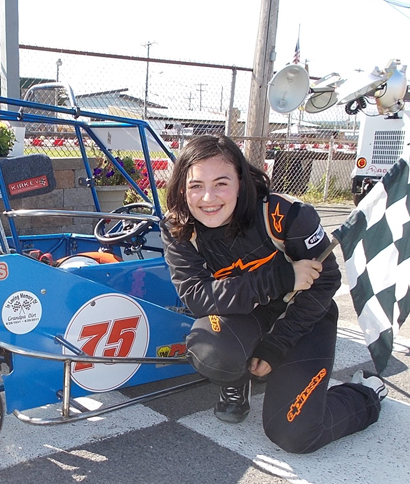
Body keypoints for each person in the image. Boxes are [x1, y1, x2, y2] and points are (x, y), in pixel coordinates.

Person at [160, 135, 386, 454]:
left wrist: (276, 346)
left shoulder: (285, 213)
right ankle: (237, 380)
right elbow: (197, 297)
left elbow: (326, 281)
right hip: (244, 318)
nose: (207, 197)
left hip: (303, 318)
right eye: (196, 186)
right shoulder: (179, 227)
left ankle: (366, 394)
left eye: (221, 183)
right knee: (209, 347)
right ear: (182, 188)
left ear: (241, 181)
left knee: (295, 434)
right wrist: (282, 276)